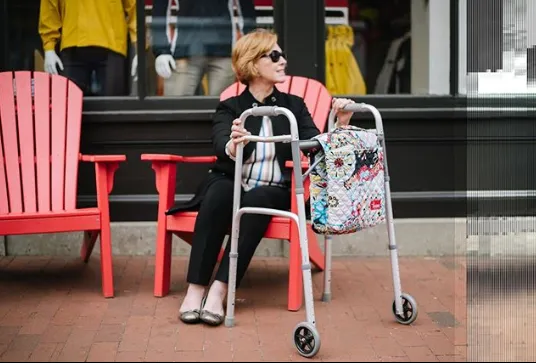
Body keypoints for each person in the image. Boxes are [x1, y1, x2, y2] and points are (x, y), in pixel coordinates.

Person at [172, 28, 356, 326]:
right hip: (231, 181)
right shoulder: (232, 106)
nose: (283, 60)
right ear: (252, 63)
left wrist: (340, 125)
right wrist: (233, 143)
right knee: (218, 193)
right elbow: (220, 141)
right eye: (274, 55)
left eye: (281, 54)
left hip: (272, 189)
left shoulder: (294, 105)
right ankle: (195, 290)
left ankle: (220, 290)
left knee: (257, 199)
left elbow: (315, 145)